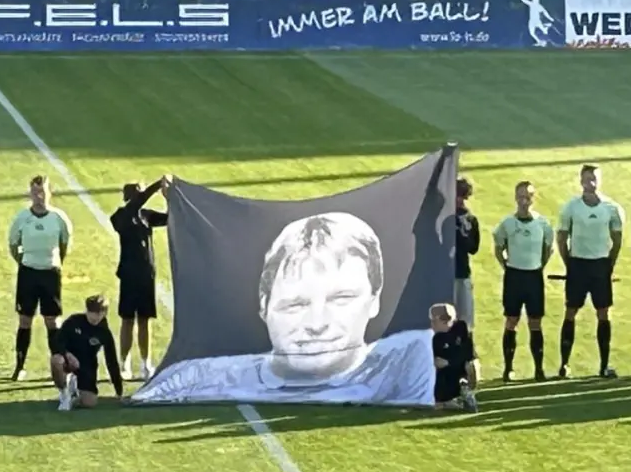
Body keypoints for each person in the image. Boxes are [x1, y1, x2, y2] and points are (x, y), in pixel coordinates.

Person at [131, 211, 436, 405]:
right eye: (295, 304)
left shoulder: (410, 361)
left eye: (341, 298)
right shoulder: (201, 377)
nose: (317, 323)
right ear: (263, 305)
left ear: (375, 299)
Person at [555, 164, 623, 379]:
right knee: (571, 311)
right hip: (578, 265)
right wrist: (570, 263)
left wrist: (608, 264)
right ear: (580, 180)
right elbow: (561, 238)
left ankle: (604, 365)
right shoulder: (571, 207)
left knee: (603, 313)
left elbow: (617, 240)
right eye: (586, 179)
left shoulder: (612, 208)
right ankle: (564, 365)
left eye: (594, 178)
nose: (590, 183)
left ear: (599, 180)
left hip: (600, 265)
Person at [9, 175, 72, 382]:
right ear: (30, 194)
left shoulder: (59, 218)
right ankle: (19, 367)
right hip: (28, 272)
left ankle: (58, 366)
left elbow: (64, 245)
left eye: (42, 192)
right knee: (25, 320)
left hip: (50, 273)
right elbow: (13, 245)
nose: (39, 196)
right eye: (35, 192)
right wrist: (25, 260)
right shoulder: (21, 218)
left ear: (49, 193)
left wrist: (53, 261)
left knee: (52, 321)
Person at [494, 181, 553, 382]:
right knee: (511, 320)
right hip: (514, 277)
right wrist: (507, 267)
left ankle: (538, 369)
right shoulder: (507, 224)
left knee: (535, 323)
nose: (524, 200)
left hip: (533, 277)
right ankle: (508, 369)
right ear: (515, 197)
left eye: (527, 196)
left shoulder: (543, 224)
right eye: (520, 196)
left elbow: (548, 250)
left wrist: (539, 266)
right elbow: (498, 248)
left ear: (533, 198)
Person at [111, 175, 170, 379]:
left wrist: (170, 197)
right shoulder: (120, 216)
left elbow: (170, 218)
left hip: (146, 274)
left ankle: (146, 362)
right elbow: (138, 202)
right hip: (129, 274)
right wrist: (157, 185)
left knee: (144, 320)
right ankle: (124, 361)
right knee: (127, 320)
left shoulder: (146, 215)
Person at [51, 294, 124, 410]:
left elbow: (111, 360)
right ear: (87, 311)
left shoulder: (104, 333)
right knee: (56, 361)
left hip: (87, 365)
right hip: (68, 361)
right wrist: (66, 354)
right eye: (92, 312)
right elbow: (57, 342)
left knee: (90, 402)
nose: (95, 317)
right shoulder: (73, 321)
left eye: (99, 313)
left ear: (104, 313)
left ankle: (74, 392)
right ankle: (64, 393)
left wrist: (119, 391)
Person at [430, 302, 479, 412]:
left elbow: (468, 353)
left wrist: (450, 362)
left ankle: (468, 390)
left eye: (434, 321)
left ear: (445, 320)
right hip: (446, 373)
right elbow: (437, 362)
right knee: (439, 403)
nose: (432, 324)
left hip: (460, 367)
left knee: (471, 365)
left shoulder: (462, 328)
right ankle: (457, 401)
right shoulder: (436, 338)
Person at [452, 178, 479, 332]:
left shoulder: (470, 219)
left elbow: (473, 248)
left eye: (463, 195)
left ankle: (466, 349)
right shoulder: (443, 218)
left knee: (465, 318)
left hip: (462, 272)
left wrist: (462, 232)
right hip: (445, 274)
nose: (460, 199)